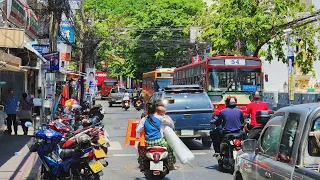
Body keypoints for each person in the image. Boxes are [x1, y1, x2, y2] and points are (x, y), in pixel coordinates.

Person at [136, 101, 177, 171]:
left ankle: (142, 164)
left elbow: (138, 130)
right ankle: (171, 165)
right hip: (160, 141)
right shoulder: (160, 118)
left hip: (148, 142)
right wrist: (166, 117)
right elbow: (170, 123)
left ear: (146, 110)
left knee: (141, 149)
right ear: (155, 110)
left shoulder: (144, 119)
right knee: (170, 148)